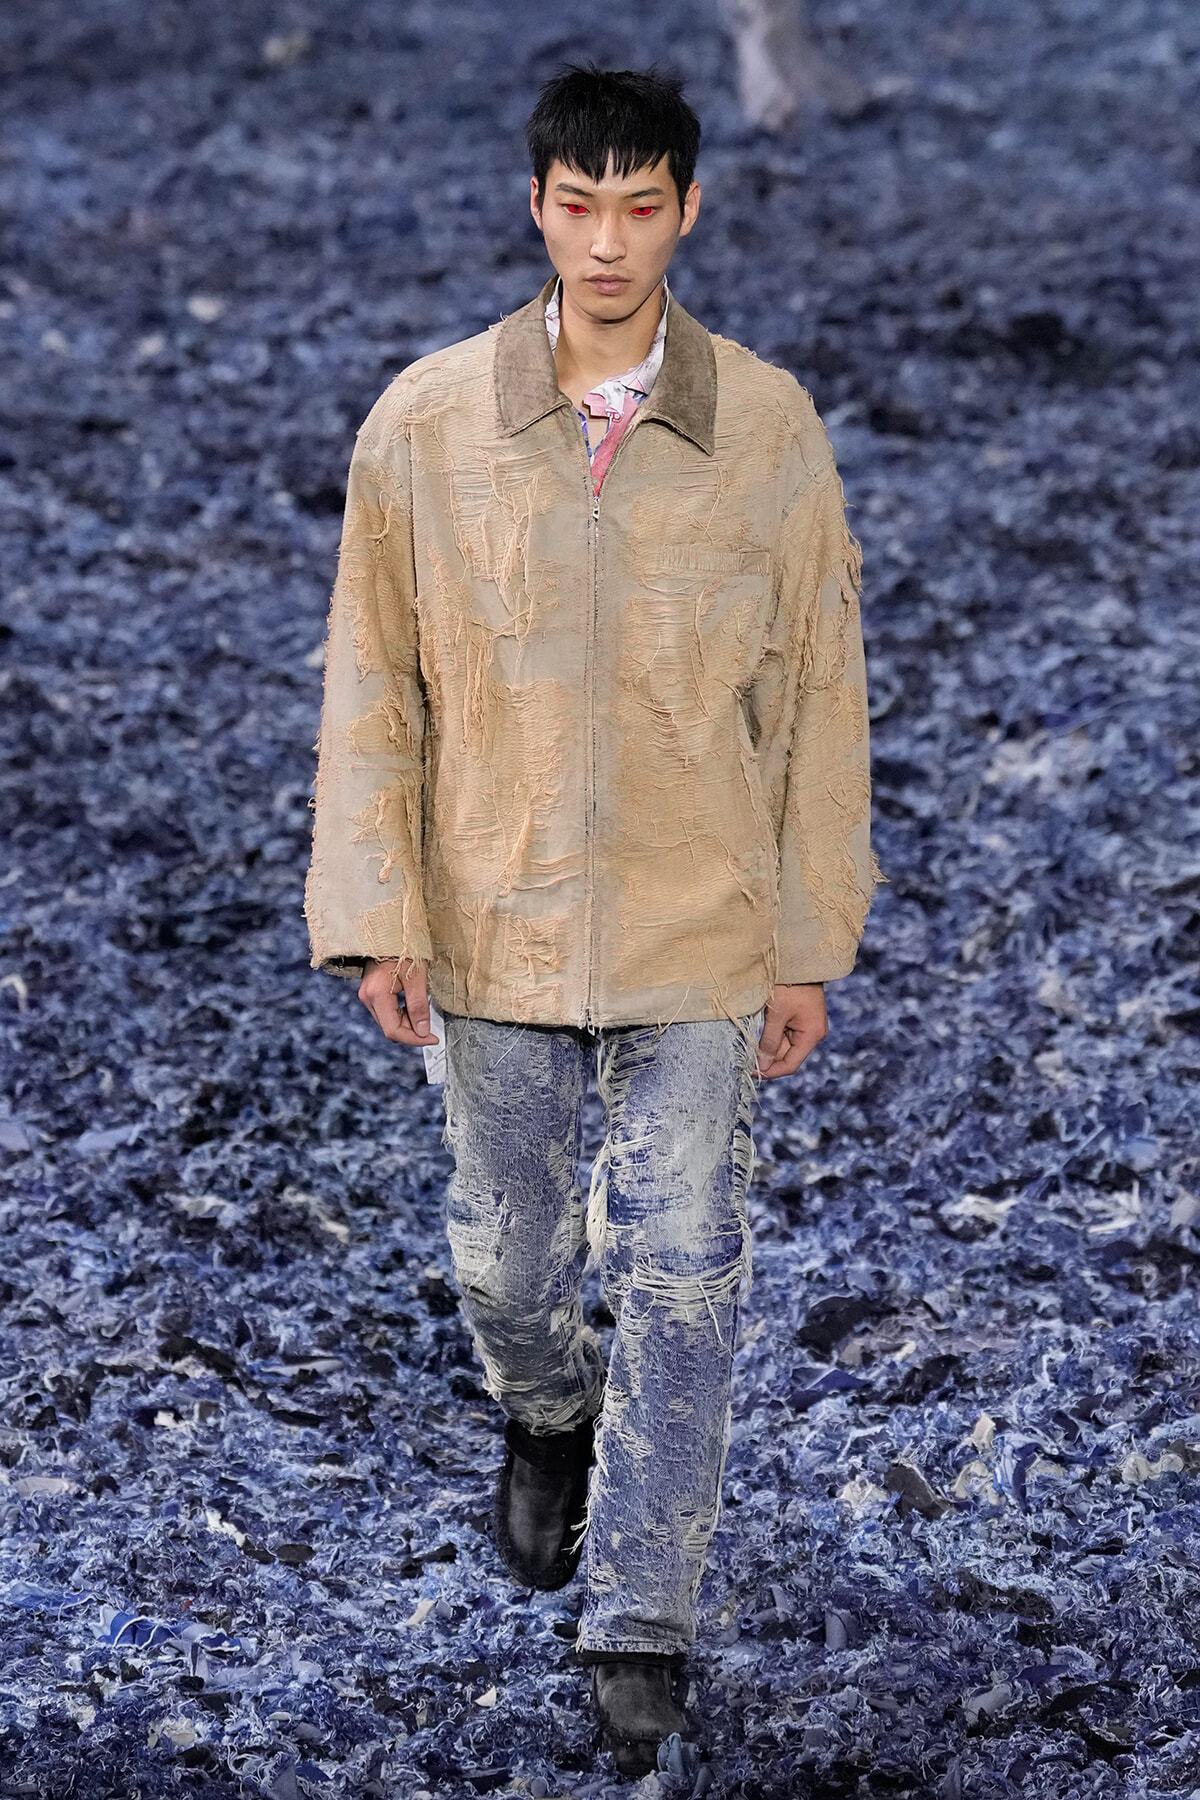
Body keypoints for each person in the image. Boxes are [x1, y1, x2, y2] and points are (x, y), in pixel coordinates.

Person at [304, 61, 878, 1780]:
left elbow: (821, 690)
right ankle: (546, 1411)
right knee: (509, 1256)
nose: (610, 238)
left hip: (703, 920)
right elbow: (373, 684)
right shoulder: (427, 422)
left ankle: (643, 1612)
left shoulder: (766, 428)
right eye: (580, 202)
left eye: (644, 205)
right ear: (537, 205)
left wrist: (804, 936)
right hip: (495, 910)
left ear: (689, 209)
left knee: (689, 1271)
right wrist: (375, 906)